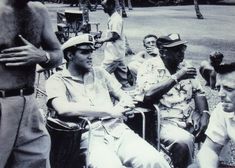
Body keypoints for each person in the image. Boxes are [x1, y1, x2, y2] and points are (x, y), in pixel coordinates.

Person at [46, 34, 171, 168]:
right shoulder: (57, 80)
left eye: (91, 52)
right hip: (88, 136)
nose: (90, 56)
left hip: (118, 130)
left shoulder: (100, 72)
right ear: (70, 56)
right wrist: (109, 111)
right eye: (84, 52)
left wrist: (126, 104)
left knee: (154, 160)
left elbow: (123, 95)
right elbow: (63, 108)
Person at [0, 0, 63, 167]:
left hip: (29, 105)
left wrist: (41, 56)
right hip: (2, 103)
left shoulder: (39, 11)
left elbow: (58, 54)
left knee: (38, 161)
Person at [134, 33, 210, 168]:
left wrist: (204, 113)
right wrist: (177, 77)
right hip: (163, 121)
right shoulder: (148, 67)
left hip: (190, 118)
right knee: (183, 140)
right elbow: (147, 96)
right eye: (176, 49)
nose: (181, 52)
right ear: (162, 52)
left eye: (183, 48)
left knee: (218, 130)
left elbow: (199, 92)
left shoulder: (185, 65)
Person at [197, 62, 235, 168]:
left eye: (229, 89)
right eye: (219, 88)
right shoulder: (221, 110)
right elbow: (209, 149)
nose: (220, 94)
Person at [97, 0, 131, 89]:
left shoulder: (116, 19)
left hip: (114, 56)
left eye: (104, 6)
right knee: (124, 82)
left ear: (111, 5)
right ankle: (129, 92)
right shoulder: (112, 17)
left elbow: (115, 36)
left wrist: (102, 40)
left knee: (99, 75)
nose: (103, 9)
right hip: (116, 54)